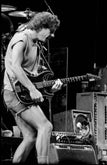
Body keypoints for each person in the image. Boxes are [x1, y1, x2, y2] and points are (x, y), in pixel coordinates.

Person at [2, 11, 62, 164]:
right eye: (51, 31)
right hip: (14, 93)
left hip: (21, 94)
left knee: (30, 137)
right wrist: (32, 89)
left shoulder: (36, 44)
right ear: (42, 26)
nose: (52, 36)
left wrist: (50, 87)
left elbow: (34, 74)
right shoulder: (22, 38)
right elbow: (15, 66)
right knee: (45, 126)